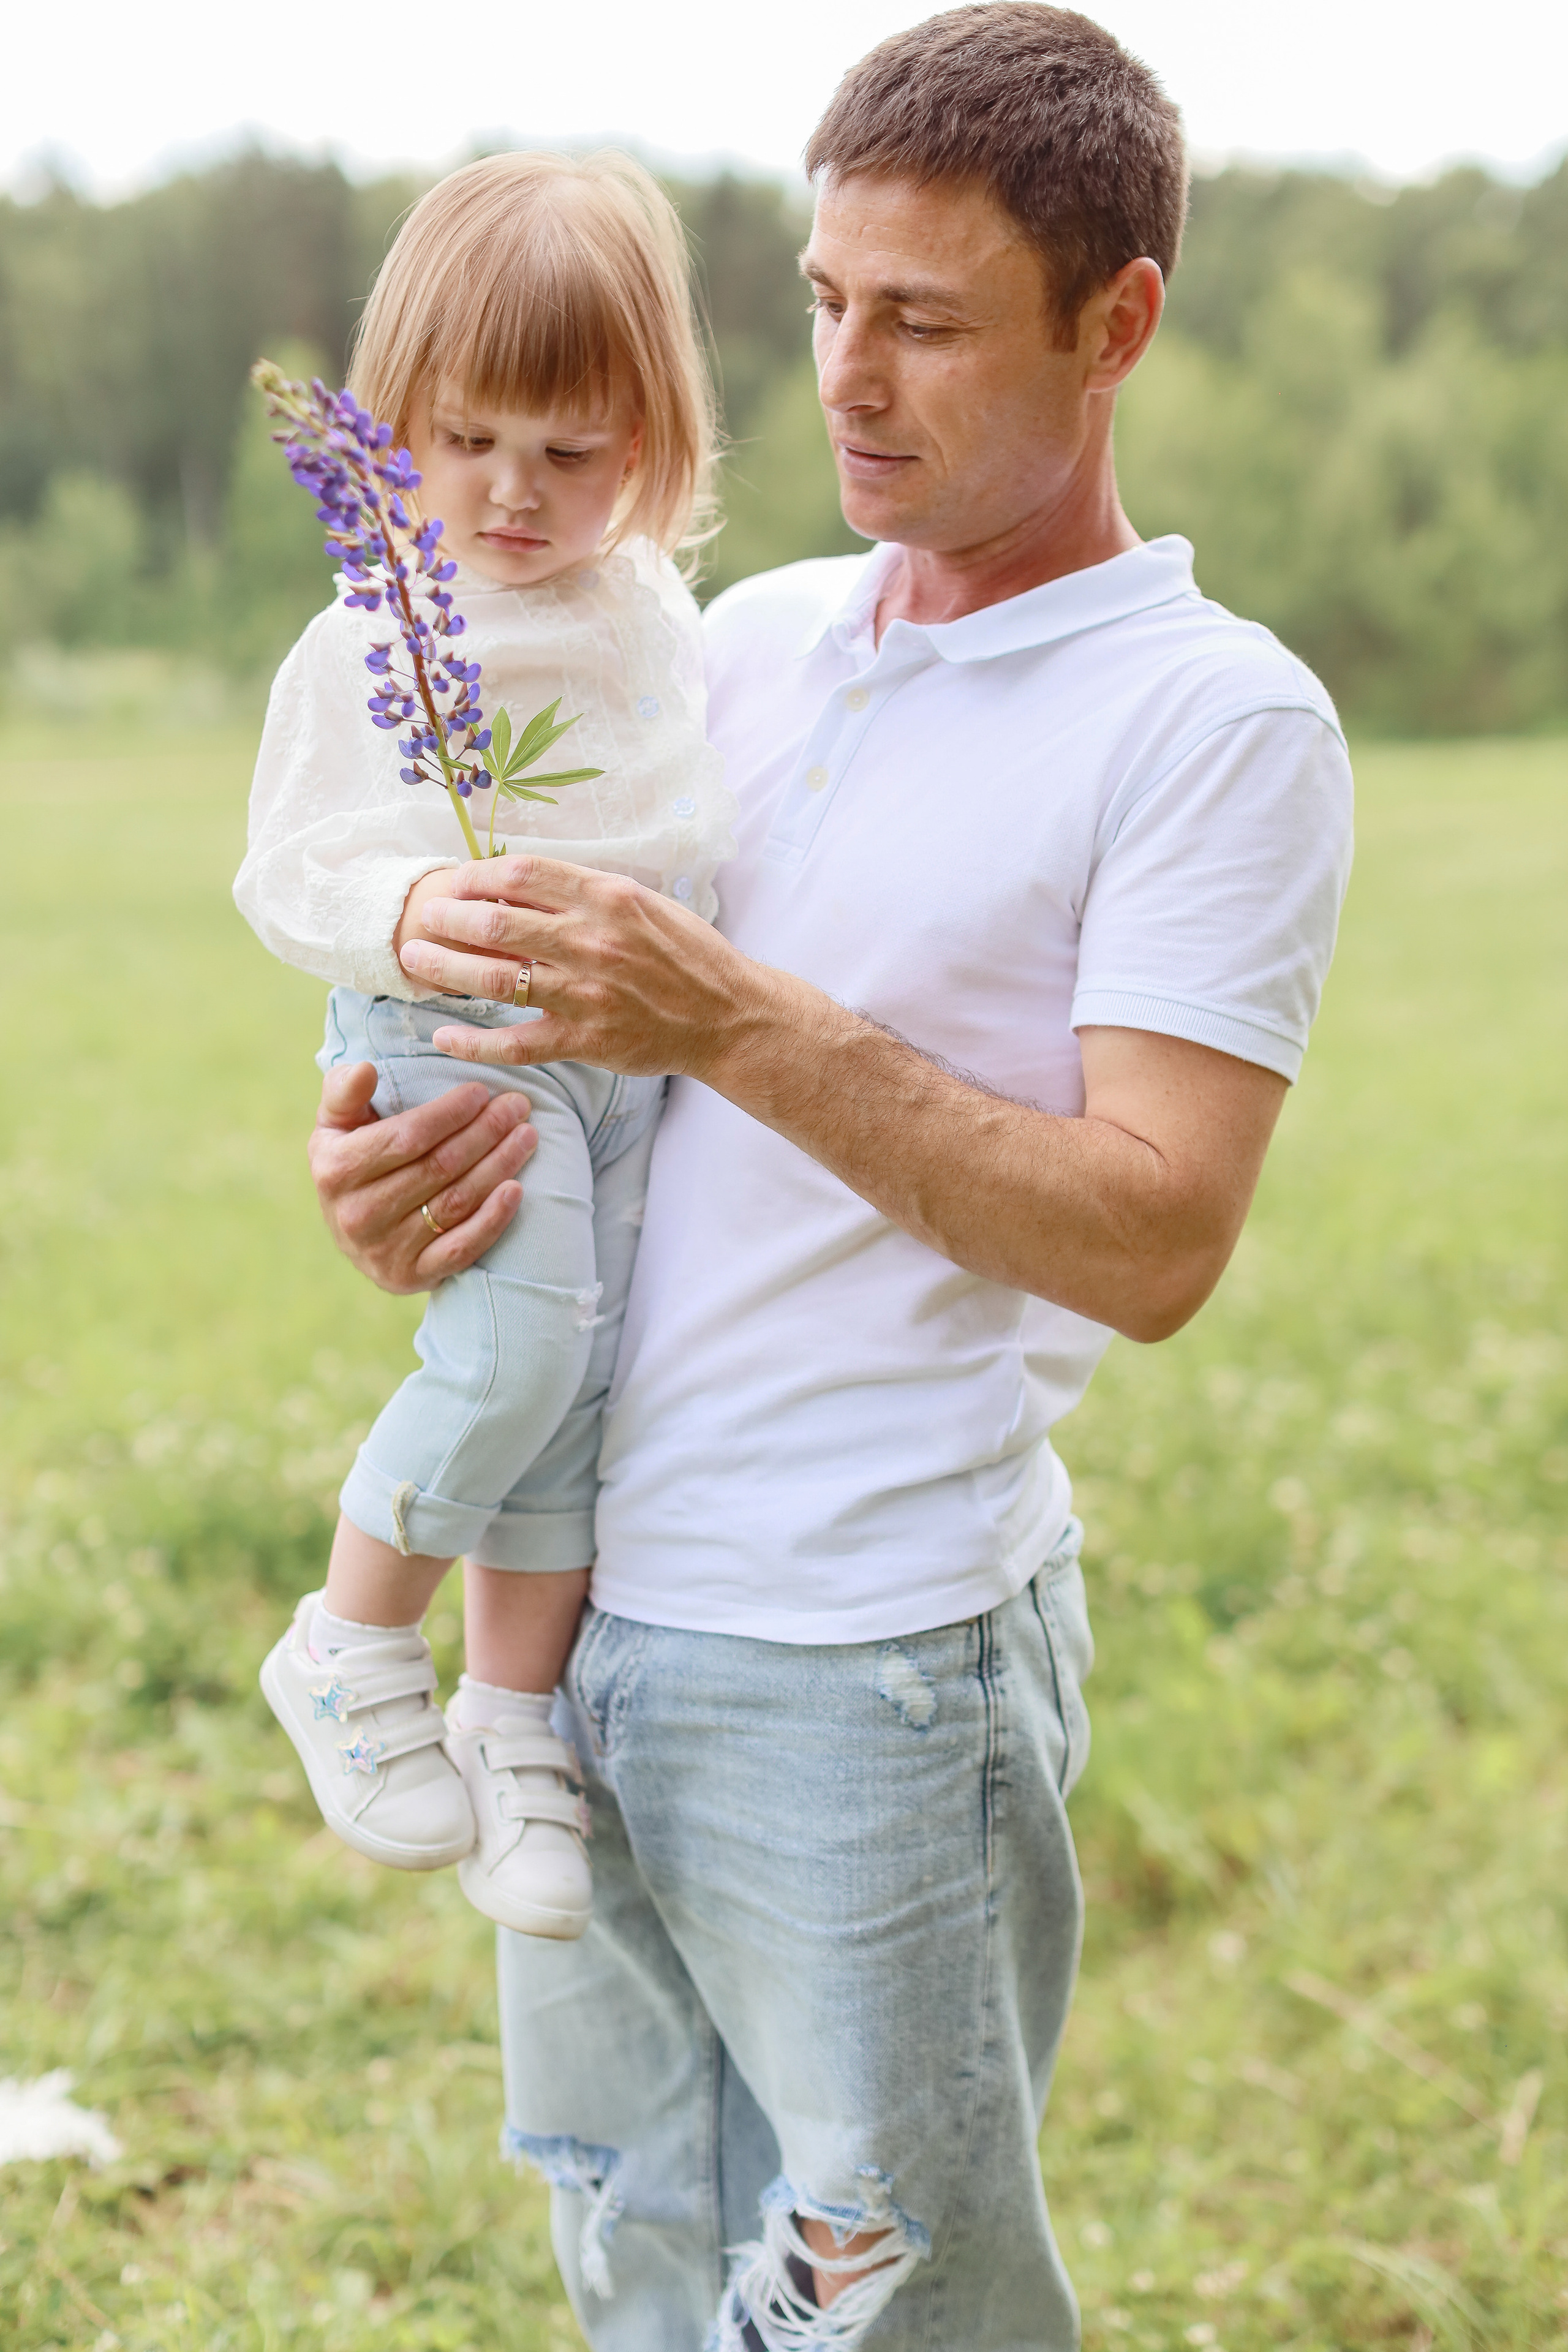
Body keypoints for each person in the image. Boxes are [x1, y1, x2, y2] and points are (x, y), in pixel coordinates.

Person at [306, 7, 1354, 2346]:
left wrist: (730, 1017)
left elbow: (1159, 1233)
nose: (851, 379)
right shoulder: (734, 642)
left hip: (862, 1669)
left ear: (1120, 328)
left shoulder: (1213, 722)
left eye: (930, 320)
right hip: (563, 1641)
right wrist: (387, 1163)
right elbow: (576, 1075)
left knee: (887, 2309)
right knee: (639, 2244)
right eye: (822, 304)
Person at [234, 151, 734, 1942]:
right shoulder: (372, 629)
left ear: (653, 446)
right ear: (392, 436)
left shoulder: (652, 616)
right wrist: (396, 919)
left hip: (622, 1053)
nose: (513, 495)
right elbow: (282, 866)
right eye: (465, 440)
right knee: (515, 1354)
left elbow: (693, 814)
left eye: (572, 452)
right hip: (459, 1030)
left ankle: (515, 1719)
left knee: (582, 1399)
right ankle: (351, 1633)